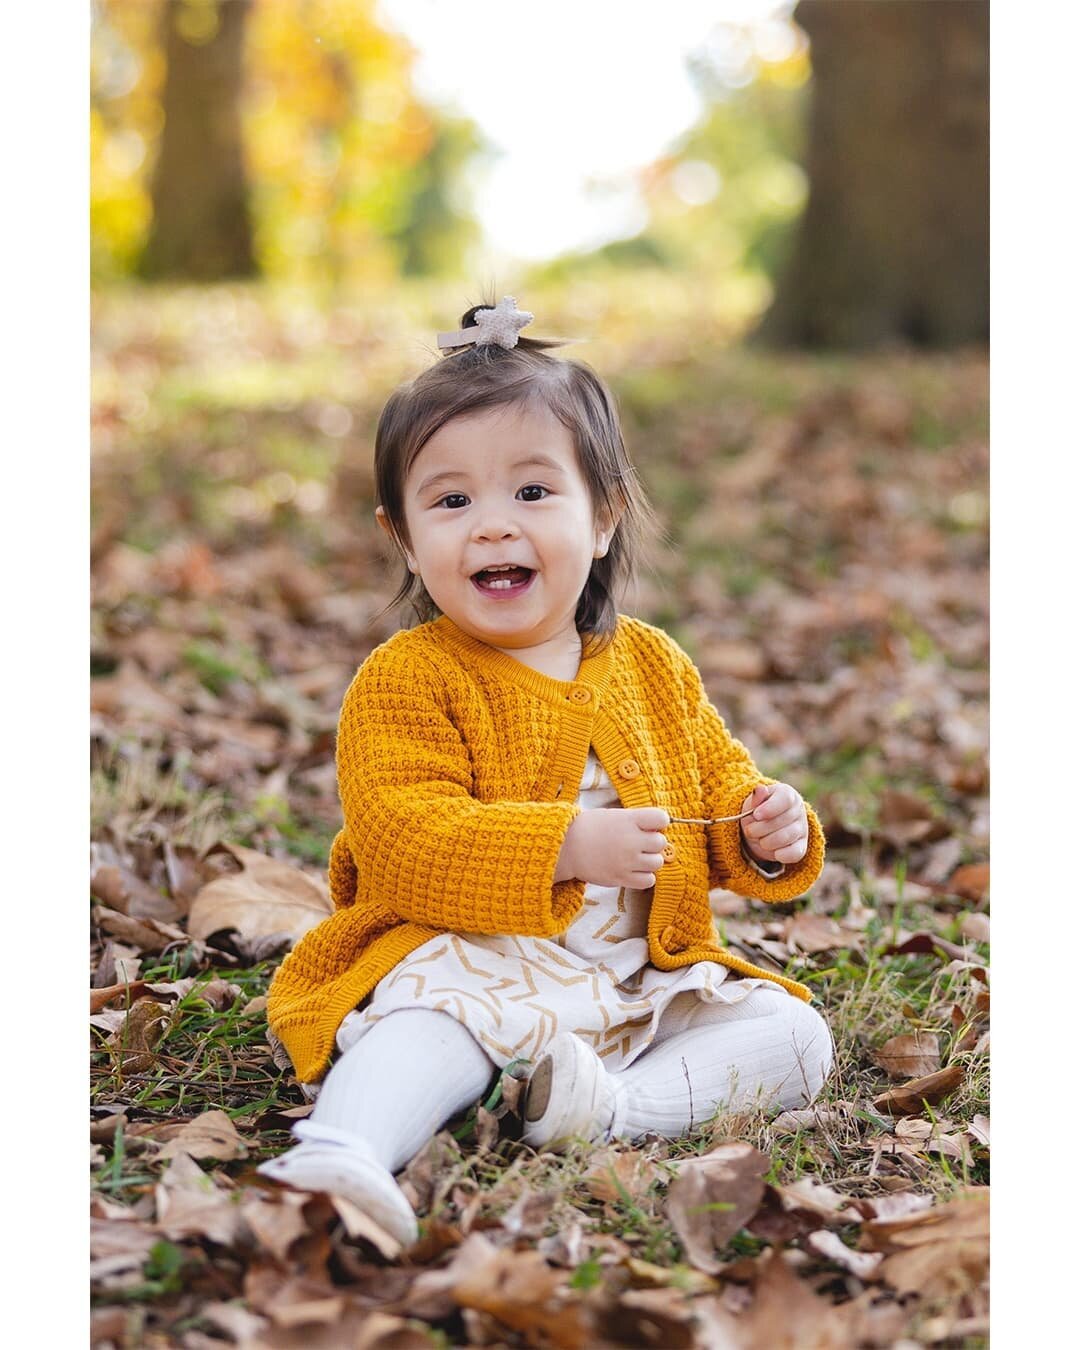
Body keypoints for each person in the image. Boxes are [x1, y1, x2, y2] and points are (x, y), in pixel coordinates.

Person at [258, 297, 834, 1245]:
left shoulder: (649, 663)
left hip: (637, 986)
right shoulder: (410, 677)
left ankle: (609, 1107)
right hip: (475, 962)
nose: (492, 527)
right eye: (451, 501)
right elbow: (402, 838)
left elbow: (715, 783)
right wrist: (565, 843)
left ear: (603, 517)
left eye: (532, 493)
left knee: (794, 1038)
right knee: (425, 1028)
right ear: (403, 536)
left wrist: (761, 825)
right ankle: (342, 1151)